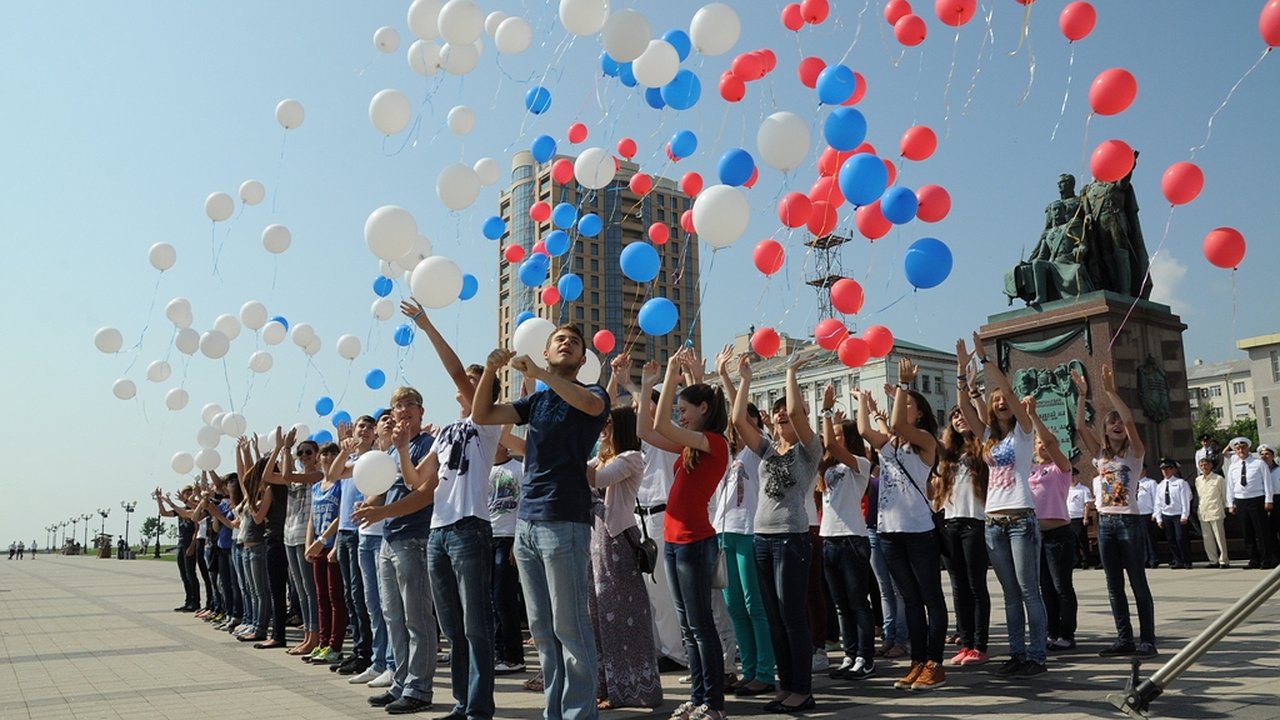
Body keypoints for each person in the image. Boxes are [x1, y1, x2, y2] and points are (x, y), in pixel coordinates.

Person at [471, 324, 609, 720]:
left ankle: (579, 713)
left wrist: (539, 374)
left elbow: (588, 404)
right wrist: (492, 373)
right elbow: (483, 414)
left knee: (570, 624)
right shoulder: (537, 401)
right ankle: (555, 711)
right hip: (527, 522)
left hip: (563, 519)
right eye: (559, 340)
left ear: (583, 359)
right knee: (542, 629)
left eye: (574, 342)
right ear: (546, 352)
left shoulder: (592, 392)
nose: (567, 343)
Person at [641, 349, 731, 720]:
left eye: (685, 407)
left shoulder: (714, 443)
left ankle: (714, 702)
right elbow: (646, 431)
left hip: (695, 541)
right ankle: (697, 698)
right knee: (688, 628)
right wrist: (648, 385)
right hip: (675, 543)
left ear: (704, 409)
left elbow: (661, 426)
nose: (680, 412)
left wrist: (677, 376)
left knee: (701, 626)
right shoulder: (691, 446)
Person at [734, 353, 824, 711]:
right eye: (777, 411)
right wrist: (743, 380)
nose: (783, 414)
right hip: (762, 539)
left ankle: (803, 690)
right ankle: (787, 686)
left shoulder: (808, 450)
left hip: (792, 539)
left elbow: (800, 414)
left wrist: (789, 372)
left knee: (792, 617)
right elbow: (738, 420)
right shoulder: (767, 450)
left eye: (788, 410)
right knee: (774, 619)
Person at [956, 334, 1049, 679]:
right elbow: (965, 408)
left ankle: (1037, 656)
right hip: (993, 522)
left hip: (1021, 519)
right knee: (1010, 593)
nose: (1000, 403)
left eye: (1003, 400)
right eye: (994, 401)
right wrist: (961, 372)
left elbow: (1009, 392)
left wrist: (985, 361)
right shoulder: (988, 438)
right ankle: (1016, 653)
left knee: (1028, 591)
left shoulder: (1023, 433)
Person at [858, 359, 947, 692]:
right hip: (889, 533)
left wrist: (904, 385)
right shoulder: (890, 446)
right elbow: (866, 431)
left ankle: (935, 664)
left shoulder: (924, 440)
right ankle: (918, 663)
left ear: (919, 413)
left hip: (918, 532)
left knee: (931, 599)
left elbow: (896, 422)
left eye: (907, 403)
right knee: (910, 600)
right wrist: (862, 404)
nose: (899, 405)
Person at [351, 386, 437, 715]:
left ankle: (419, 687)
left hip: (415, 538)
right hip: (388, 539)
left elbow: (424, 493)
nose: (404, 410)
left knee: (417, 618)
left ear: (421, 412)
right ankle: (400, 681)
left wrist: (381, 512)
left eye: (410, 404)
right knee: (393, 617)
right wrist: (367, 504)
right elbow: (383, 491)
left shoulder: (428, 446)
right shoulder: (391, 452)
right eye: (398, 406)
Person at [1072, 364, 1157, 658]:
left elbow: (1132, 422)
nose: (1118, 425)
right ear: (1106, 430)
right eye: (1112, 422)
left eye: (1120, 422)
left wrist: (1109, 392)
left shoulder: (1134, 454)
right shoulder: (1100, 456)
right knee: (1113, 585)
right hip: (1106, 523)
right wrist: (1083, 395)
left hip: (1130, 523)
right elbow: (1080, 427)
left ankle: (1147, 639)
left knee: (1137, 581)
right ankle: (1124, 639)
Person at [585, 405, 663, 711]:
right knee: (597, 614)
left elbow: (599, 479)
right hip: (597, 542)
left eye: (607, 425)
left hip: (617, 542)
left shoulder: (631, 457)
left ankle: (630, 689)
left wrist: (574, 441)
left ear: (621, 427)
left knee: (621, 617)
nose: (603, 429)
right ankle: (605, 686)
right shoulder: (604, 456)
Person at [711, 346, 776, 698]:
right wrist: (719, 375)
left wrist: (734, 379)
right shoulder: (730, 453)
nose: (737, 423)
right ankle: (749, 669)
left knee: (754, 604)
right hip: (725, 532)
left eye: (745, 418)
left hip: (750, 532)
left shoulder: (759, 447)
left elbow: (738, 416)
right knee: (735, 606)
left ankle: (765, 671)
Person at [817, 387, 877, 682]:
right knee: (840, 604)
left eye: (841, 435)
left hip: (852, 538)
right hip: (829, 538)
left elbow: (828, 441)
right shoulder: (828, 468)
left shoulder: (860, 464)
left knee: (857, 602)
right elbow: (818, 446)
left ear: (849, 439)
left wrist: (826, 413)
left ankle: (866, 658)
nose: (834, 440)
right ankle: (850, 655)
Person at [939, 358, 992, 667]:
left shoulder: (982, 447)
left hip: (975, 522)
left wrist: (968, 386)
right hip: (951, 523)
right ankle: (966, 641)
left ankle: (980, 645)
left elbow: (979, 418)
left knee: (975, 584)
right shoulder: (948, 453)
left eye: (964, 415)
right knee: (958, 586)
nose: (960, 419)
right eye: (955, 416)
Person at [1025, 423, 1077, 653]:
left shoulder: (1060, 469)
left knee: (1061, 586)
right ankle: (1051, 631)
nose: (1043, 446)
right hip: (1036, 536)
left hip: (1059, 535)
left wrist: (1034, 416)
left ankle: (1067, 634)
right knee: (1045, 587)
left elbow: (1051, 444)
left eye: (1046, 443)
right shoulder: (1029, 469)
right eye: (1039, 443)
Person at [305, 443, 347, 662]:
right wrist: (308, 544)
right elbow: (312, 517)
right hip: (317, 547)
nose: (328, 457)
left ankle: (335, 645)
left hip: (331, 546)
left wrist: (324, 541)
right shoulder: (316, 486)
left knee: (335, 597)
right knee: (320, 597)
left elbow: (342, 515)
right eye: (325, 454)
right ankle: (322, 642)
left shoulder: (341, 483)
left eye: (333, 453)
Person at [1223, 437, 1278, 569]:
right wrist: (1230, 504)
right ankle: (1253, 559)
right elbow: (1230, 486)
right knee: (1247, 532)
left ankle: (1266, 560)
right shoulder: (1233, 467)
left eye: (1243, 448)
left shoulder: (1259, 464)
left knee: (1261, 531)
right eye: (1238, 448)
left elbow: (1267, 483)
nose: (1240, 450)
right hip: (1241, 501)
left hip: (1257, 499)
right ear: (1235, 451)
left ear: (1248, 449)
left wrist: (1268, 500)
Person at [1153, 459, 1192, 569]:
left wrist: (1185, 515)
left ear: (1174, 470)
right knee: (1171, 539)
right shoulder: (1160, 485)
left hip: (1178, 514)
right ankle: (1177, 560)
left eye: (1168, 469)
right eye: (1163, 469)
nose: (1165, 471)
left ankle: (1187, 560)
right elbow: (1158, 503)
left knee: (1181, 538)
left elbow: (1185, 500)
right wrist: (1159, 518)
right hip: (1167, 515)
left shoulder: (1181, 483)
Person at [1194, 457, 1230, 568]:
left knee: (1220, 537)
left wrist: (1225, 507)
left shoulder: (1218, 479)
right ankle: (1213, 560)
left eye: (1206, 465)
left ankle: (1224, 560)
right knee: (1207, 538)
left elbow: (1224, 495)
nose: (1204, 467)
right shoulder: (1198, 480)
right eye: (1202, 465)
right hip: (1203, 512)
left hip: (1216, 511)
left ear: (1211, 466)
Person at [1067, 472, 1096, 569]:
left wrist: (1085, 517)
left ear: (1077, 476)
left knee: (1081, 541)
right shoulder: (1066, 489)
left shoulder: (1083, 489)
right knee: (1072, 541)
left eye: (1074, 476)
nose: (1072, 479)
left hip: (1079, 518)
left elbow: (1087, 504)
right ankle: (1076, 561)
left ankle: (1086, 560)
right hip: (1068, 518)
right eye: (1070, 477)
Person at [1135, 470, 1159, 569]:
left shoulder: (1151, 483)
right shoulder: (1132, 483)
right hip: (1136, 515)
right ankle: (1144, 560)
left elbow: (1156, 499)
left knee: (1150, 538)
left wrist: (1156, 513)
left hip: (1148, 514)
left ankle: (1153, 560)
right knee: (1140, 539)